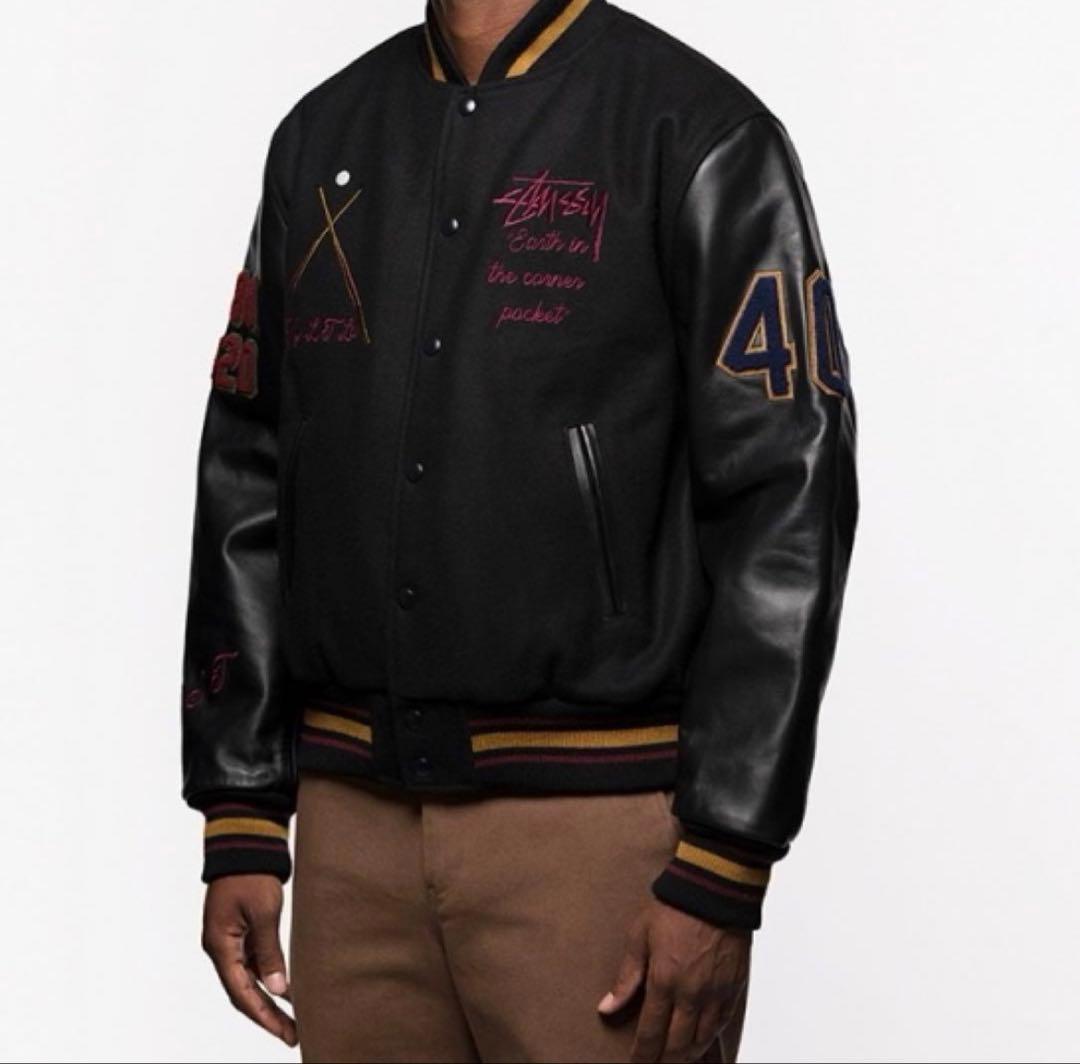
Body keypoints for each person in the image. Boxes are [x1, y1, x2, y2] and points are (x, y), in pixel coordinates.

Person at [180, 1, 858, 1060]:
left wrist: (727, 854)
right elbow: (248, 468)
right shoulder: (323, 133)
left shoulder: (696, 131)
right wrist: (241, 804)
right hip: (352, 830)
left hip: (597, 827)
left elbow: (788, 497)